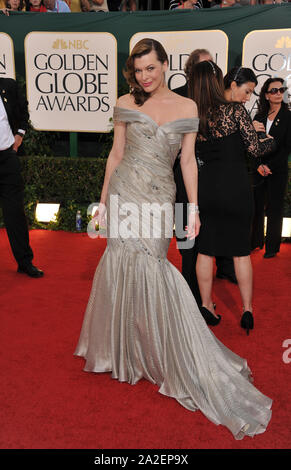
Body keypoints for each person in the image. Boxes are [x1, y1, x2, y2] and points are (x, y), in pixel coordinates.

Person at [75, 38, 272, 439]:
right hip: (126, 192)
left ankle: (169, 350)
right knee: (120, 264)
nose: (145, 76)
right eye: (139, 69)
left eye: (152, 67)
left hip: (160, 197)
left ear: (165, 65)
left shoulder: (187, 108)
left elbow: (186, 161)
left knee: (153, 267)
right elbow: (116, 154)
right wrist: (103, 201)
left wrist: (194, 208)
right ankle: (124, 352)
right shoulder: (125, 103)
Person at [190, 61, 273, 333]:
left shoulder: (200, 114)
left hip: (207, 190)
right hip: (236, 189)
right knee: (240, 253)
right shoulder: (236, 112)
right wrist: (269, 138)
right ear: (232, 84)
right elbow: (254, 150)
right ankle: (247, 310)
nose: (248, 97)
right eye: (247, 91)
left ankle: (205, 305)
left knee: (205, 250)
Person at [173, 50, 237, 312]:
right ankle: (189, 297)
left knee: (208, 238)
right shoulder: (177, 97)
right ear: (192, 71)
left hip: (209, 182)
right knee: (186, 242)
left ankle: (204, 295)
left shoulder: (220, 102)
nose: (210, 73)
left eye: (212, 67)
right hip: (181, 180)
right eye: (204, 68)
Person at [0, 57, 44, 277]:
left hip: (7, 160)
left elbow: (23, 113)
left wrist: (19, 136)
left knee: (15, 215)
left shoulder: (9, 87)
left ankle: (25, 262)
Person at [251, 77, 291, 258]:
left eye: (281, 90)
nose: (278, 93)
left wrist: (269, 165)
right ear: (266, 95)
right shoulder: (258, 117)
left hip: (278, 169)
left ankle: (272, 247)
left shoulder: (289, 116)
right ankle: (255, 241)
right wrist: (259, 165)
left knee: (275, 208)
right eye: (274, 90)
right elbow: (251, 145)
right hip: (259, 169)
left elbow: (287, 147)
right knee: (256, 206)